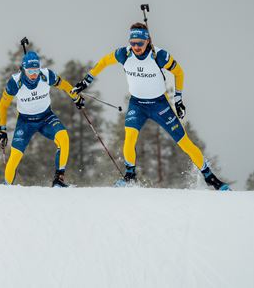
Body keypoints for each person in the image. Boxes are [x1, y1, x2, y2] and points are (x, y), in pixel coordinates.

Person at [72, 23, 230, 190]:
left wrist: (178, 99)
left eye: (140, 43)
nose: (136, 47)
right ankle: (130, 176)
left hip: (159, 105)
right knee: (130, 136)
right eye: (133, 43)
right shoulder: (124, 54)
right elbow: (104, 62)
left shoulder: (159, 56)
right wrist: (86, 81)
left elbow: (179, 72)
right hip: (137, 104)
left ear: (147, 41)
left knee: (184, 142)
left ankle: (210, 178)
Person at [0, 51, 84, 187]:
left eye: (36, 70)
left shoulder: (46, 75)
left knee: (63, 137)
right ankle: (7, 186)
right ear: (23, 69)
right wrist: (2, 129)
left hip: (46, 117)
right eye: (30, 71)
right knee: (15, 155)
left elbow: (64, 85)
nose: (34, 75)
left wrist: (76, 98)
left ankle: (59, 180)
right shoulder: (15, 82)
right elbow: (3, 106)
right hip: (25, 122)